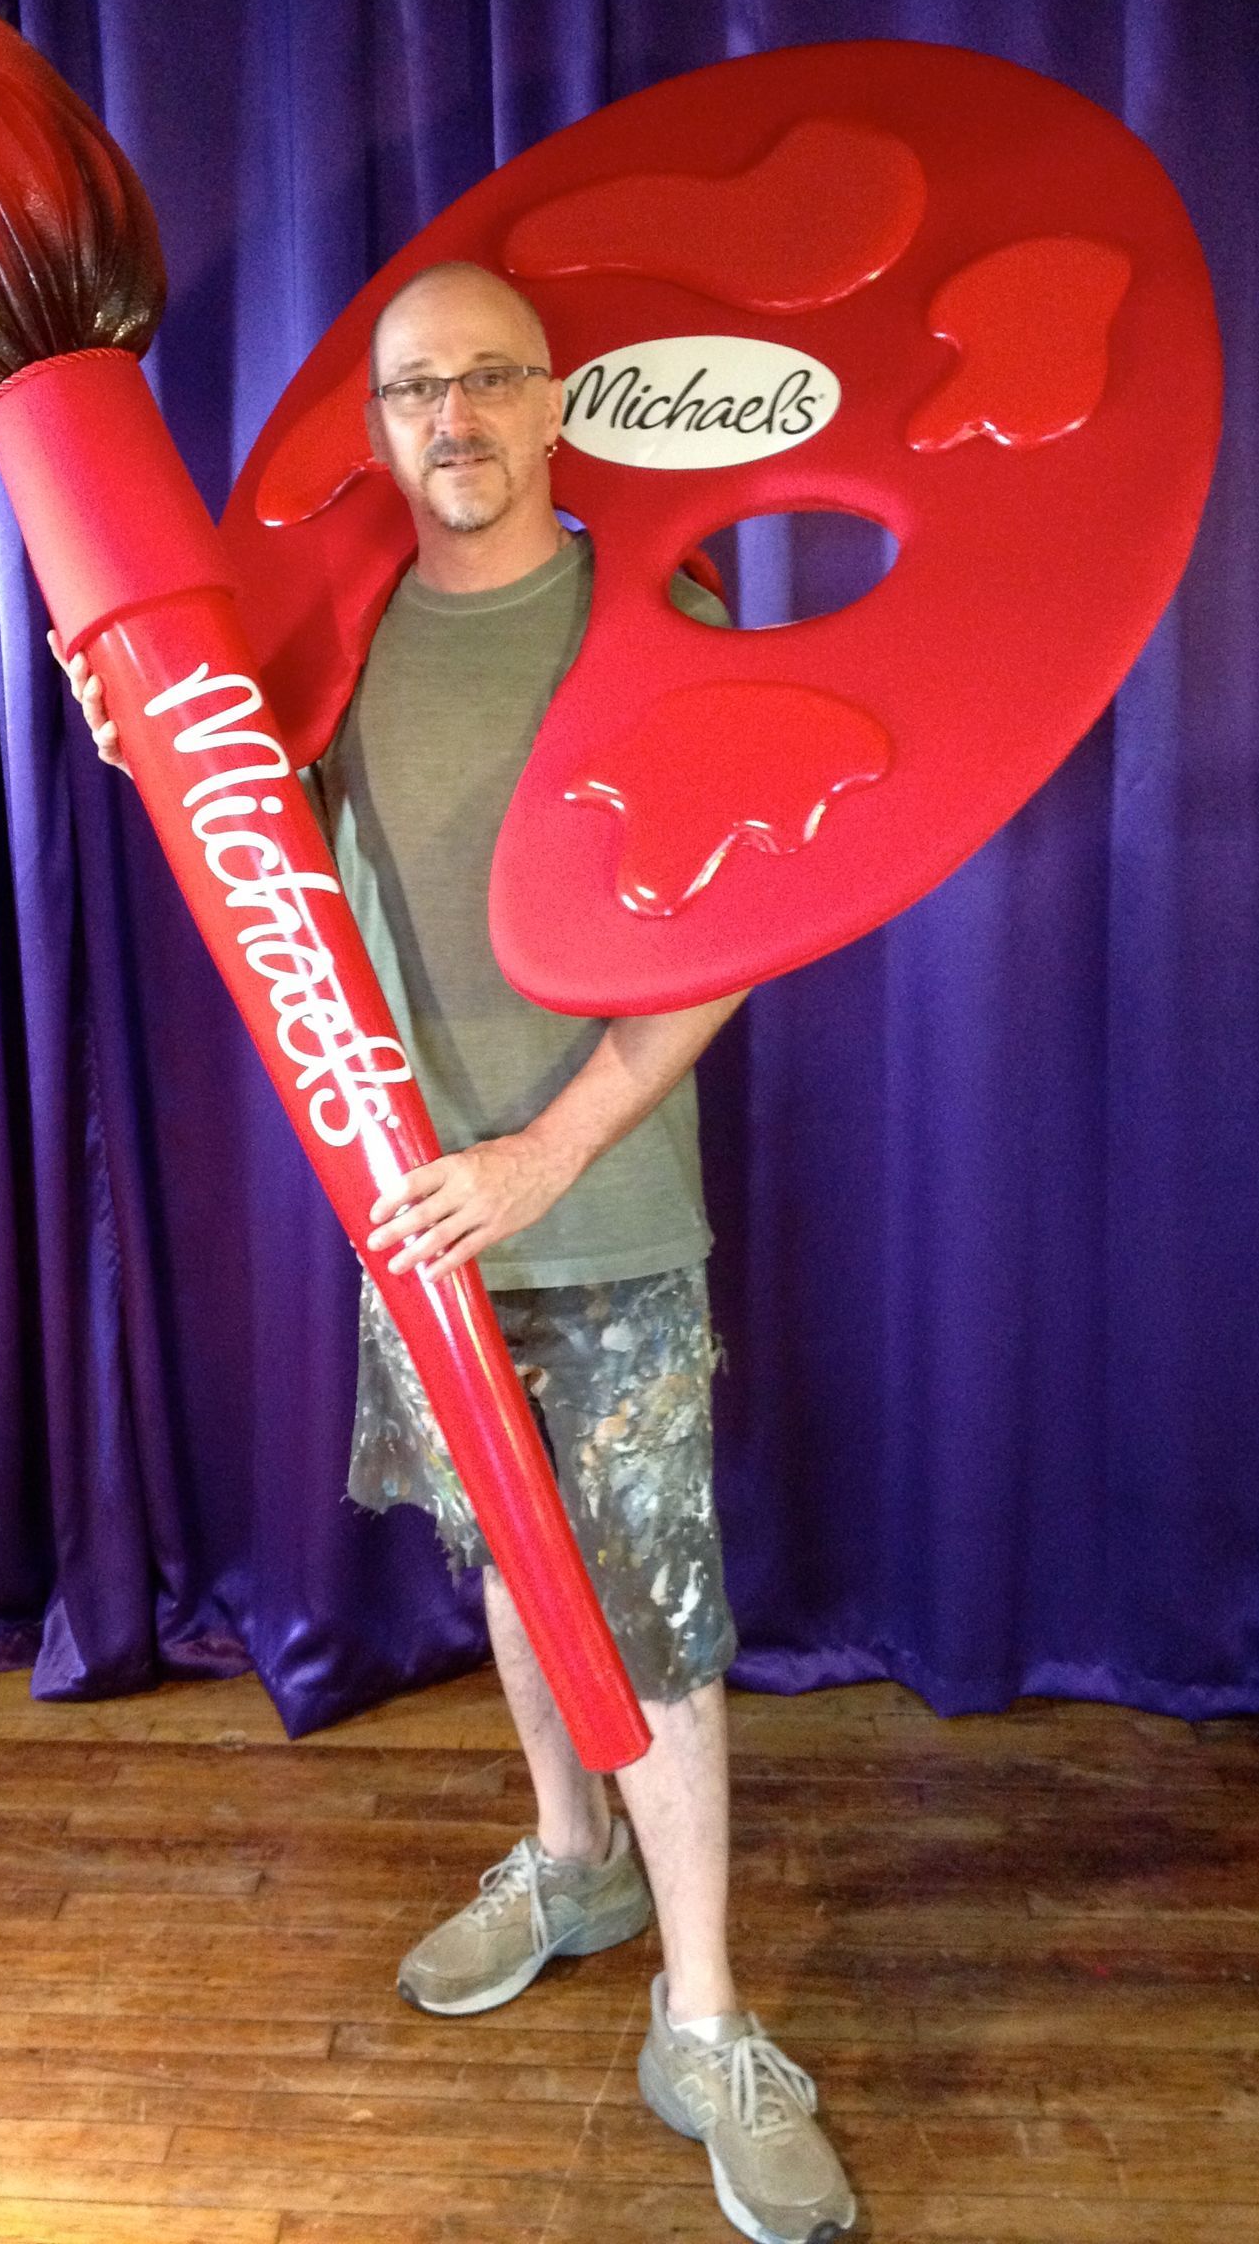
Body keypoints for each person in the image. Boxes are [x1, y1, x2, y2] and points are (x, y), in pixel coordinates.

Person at [53, 261, 857, 2244]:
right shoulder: (322, 638)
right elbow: (247, 845)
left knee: (652, 1615)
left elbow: (734, 922)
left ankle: (704, 2008)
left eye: (494, 375)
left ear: (558, 398)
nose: (460, 416)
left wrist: (551, 1145)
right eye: (422, 387)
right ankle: (568, 1854)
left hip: (602, 1200)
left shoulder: (652, 621)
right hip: (418, 1225)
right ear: (382, 424)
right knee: (506, 1555)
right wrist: (137, 727)